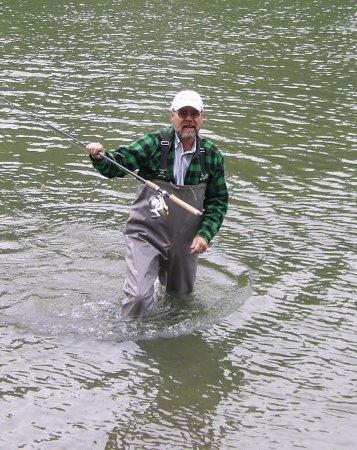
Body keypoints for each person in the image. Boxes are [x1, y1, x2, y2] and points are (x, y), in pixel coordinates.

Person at [87, 90, 228, 317]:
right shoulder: (154, 144)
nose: (188, 119)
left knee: (180, 301)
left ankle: (173, 345)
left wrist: (205, 235)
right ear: (172, 115)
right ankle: (129, 344)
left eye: (194, 113)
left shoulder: (212, 156)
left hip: (186, 241)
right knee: (139, 299)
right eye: (183, 113)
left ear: (202, 118)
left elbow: (218, 202)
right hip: (146, 234)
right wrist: (100, 156)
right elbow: (120, 163)